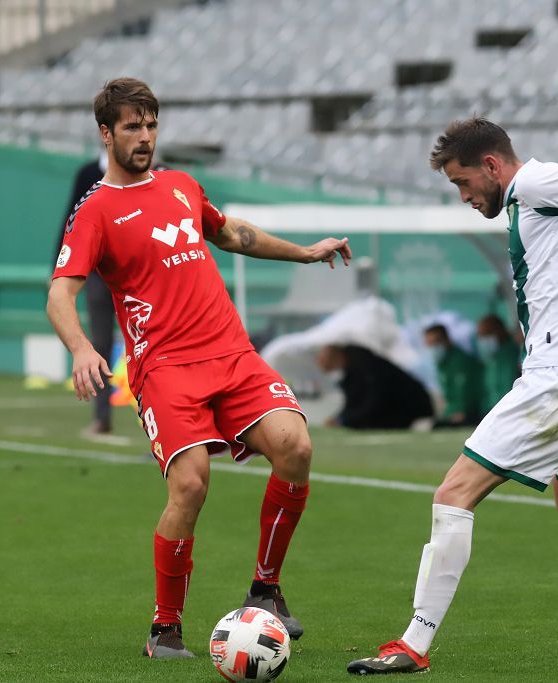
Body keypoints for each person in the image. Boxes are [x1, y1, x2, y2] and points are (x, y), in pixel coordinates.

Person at [48, 77, 352, 659]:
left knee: (297, 446)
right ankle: (165, 629)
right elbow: (60, 293)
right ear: (106, 133)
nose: (144, 137)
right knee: (190, 484)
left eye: (151, 124)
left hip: (232, 353)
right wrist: (84, 350)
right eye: (132, 126)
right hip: (164, 369)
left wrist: (304, 251)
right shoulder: (94, 212)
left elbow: (232, 233)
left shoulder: (182, 186)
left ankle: (266, 590)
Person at [348, 117, 558, 675]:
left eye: (463, 183)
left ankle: (413, 644)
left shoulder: (537, 183)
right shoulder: (526, 201)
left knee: (453, 494)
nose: (464, 197)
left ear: (491, 165)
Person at [54, 154, 115, 434]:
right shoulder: (89, 172)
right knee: (99, 343)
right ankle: (102, 416)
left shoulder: (154, 173)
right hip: (97, 273)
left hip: (137, 271)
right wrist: (57, 268)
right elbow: (71, 218)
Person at [317, 344, 434, 429]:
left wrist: (345, 420)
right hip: (400, 408)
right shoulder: (355, 368)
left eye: (326, 364)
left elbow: (374, 401)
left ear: (337, 357)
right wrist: (341, 418)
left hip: (411, 410)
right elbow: (354, 400)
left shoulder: (367, 367)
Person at [423, 323, 484, 426]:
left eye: (436, 342)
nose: (432, 347)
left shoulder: (460, 361)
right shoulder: (442, 363)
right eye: (429, 343)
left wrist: (459, 413)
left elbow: (465, 394)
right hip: (453, 414)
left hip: (472, 413)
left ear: (446, 340)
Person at [475, 313, 520, 414]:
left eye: (486, 334)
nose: (482, 340)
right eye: (480, 335)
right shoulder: (491, 357)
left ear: (499, 331)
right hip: (491, 412)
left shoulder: (513, 353)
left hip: (510, 411)